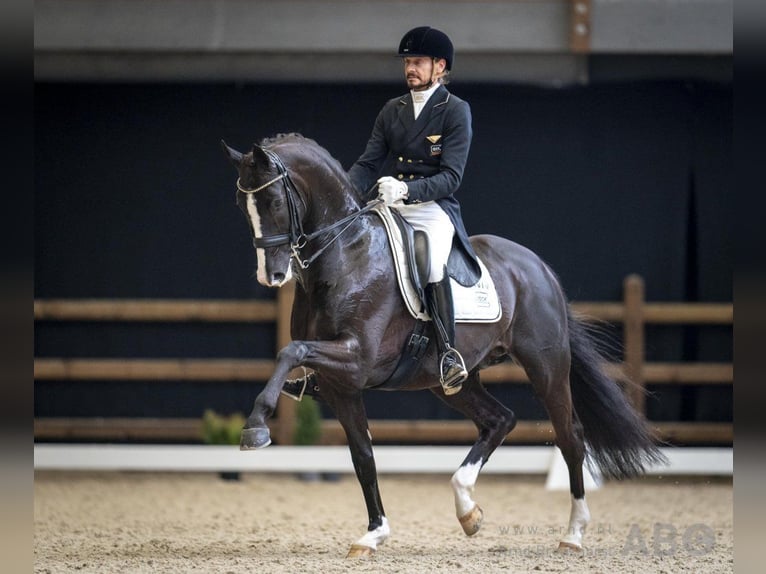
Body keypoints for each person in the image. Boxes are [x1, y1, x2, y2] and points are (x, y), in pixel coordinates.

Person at [347, 26, 481, 395]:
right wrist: (342, 193)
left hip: (433, 207)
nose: (410, 68)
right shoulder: (393, 110)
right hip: (392, 202)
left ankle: (448, 352)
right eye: (408, 62)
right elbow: (368, 163)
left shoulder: (455, 111)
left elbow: (451, 177)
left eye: (418, 62)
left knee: (432, 257)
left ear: (440, 67)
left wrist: (407, 188)